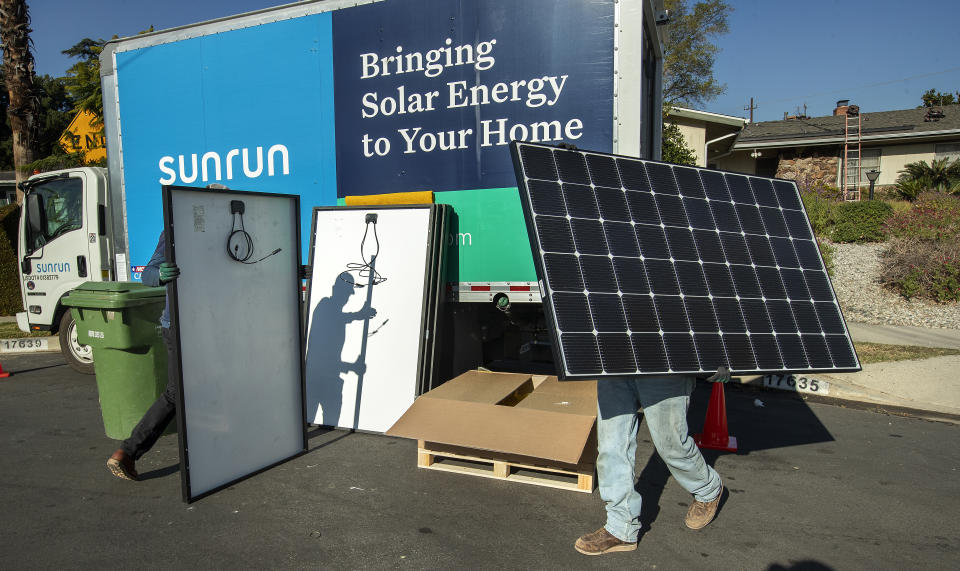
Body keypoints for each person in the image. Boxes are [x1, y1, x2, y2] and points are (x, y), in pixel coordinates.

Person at [574, 370, 728, 556]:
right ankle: (620, 527)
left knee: (671, 446)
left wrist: (714, 356)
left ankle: (708, 488)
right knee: (611, 446)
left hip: (665, 362)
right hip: (614, 358)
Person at [106, 231, 180, 480]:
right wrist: (159, 275)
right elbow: (147, 274)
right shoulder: (174, 229)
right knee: (176, 392)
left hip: (209, 325)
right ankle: (128, 452)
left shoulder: (227, 235)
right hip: (180, 327)